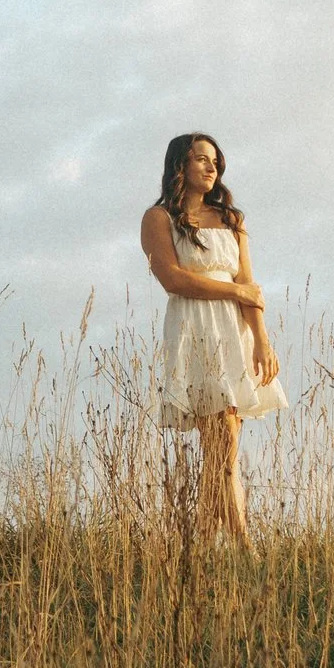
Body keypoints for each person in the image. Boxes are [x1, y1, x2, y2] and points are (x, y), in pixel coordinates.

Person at [140, 132, 284, 551]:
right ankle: (243, 545)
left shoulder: (231, 220)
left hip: (234, 332)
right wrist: (234, 293)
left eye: (215, 161)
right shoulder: (158, 218)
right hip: (195, 328)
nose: (211, 167)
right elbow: (172, 278)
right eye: (201, 159)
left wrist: (261, 341)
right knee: (221, 438)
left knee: (224, 446)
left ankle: (203, 545)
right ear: (179, 165)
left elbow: (249, 285)